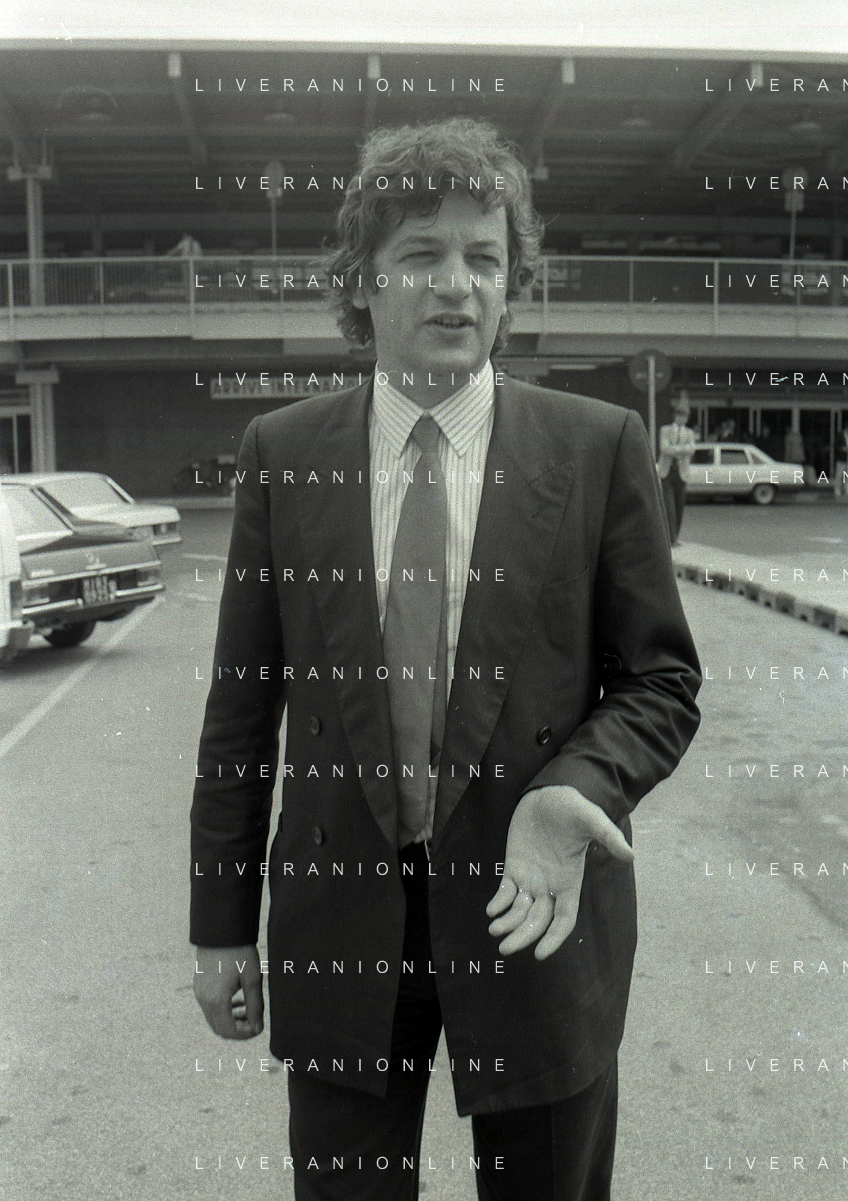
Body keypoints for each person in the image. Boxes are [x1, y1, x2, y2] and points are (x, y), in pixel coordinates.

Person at [190, 117, 701, 1201]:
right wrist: (219, 929)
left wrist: (575, 787)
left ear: (512, 286)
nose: (457, 284)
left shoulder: (595, 447)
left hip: (535, 915)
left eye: (485, 257)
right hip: (341, 921)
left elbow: (659, 679)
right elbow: (241, 711)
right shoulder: (283, 454)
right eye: (422, 253)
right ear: (362, 281)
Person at [657, 394, 697, 545]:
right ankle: (670, 539)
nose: (682, 419)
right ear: (675, 416)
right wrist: (682, 450)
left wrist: (675, 449)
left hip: (682, 473)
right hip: (667, 472)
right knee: (669, 506)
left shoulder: (689, 433)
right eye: (680, 415)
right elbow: (664, 448)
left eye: (685, 416)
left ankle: (676, 537)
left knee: (679, 506)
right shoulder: (665, 430)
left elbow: (692, 449)